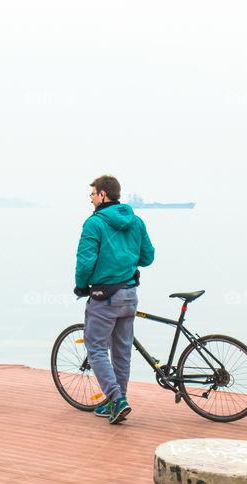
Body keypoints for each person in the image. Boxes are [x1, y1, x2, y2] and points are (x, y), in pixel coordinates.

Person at [74, 175, 154, 424]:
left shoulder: (94, 223)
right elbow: (147, 257)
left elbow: (85, 260)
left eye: (93, 194)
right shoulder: (136, 221)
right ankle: (117, 403)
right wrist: (126, 258)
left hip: (105, 296)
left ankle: (116, 399)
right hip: (130, 294)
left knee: (96, 348)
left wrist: (80, 285)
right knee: (122, 353)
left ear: (103, 195)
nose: (91, 199)